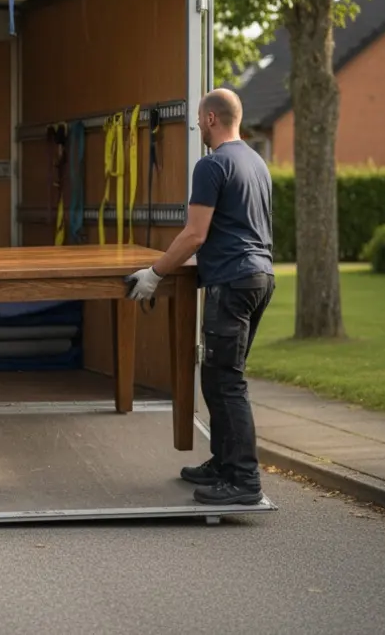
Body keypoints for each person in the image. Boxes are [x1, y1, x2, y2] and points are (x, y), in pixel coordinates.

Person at [125, 88, 275, 507]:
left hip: (233, 282)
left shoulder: (212, 166)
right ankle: (223, 463)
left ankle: (244, 481)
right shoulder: (256, 162)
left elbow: (195, 233)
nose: (195, 125)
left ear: (211, 119)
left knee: (226, 380)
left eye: (197, 118)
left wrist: (155, 274)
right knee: (218, 375)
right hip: (259, 278)